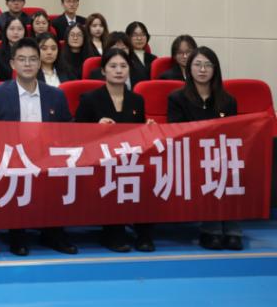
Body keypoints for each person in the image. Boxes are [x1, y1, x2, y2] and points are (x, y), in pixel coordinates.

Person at [0, 37, 76, 257]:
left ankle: (53, 233)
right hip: (11, 157)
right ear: (12, 64)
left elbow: (68, 129)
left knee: (61, 172)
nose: (27, 64)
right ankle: (18, 234)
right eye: (22, 59)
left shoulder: (56, 95)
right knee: (16, 173)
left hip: (47, 157)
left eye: (33, 59)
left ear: (40, 63)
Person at [75, 48, 154, 253]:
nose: (118, 71)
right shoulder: (90, 99)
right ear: (103, 70)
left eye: (123, 66)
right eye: (113, 66)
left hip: (129, 160)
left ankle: (144, 233)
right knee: (113, 175)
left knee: (148, 174)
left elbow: (138, 135)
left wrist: (148, 128)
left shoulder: (137, 100)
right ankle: (113, 232)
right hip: (100, 161)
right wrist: (96, 127)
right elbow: (76, 135)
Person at [167, 47, 241, 251]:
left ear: (215, 69)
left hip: (221, 154)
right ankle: (212, 230)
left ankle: (233, 230)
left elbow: (234, 133)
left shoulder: (228, 100)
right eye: (198, 64)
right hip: (190, 156)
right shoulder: (177, 98)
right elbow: (176, 131)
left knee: (231, 169)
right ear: (189, 68)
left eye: (208, 65)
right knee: (211, 170)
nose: (202, 69)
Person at [0, 17, 26, 82]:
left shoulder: (31, 52)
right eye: (12, 29)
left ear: (25, 32)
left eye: (19, 29)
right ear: (5, 31)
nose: (15, 32)